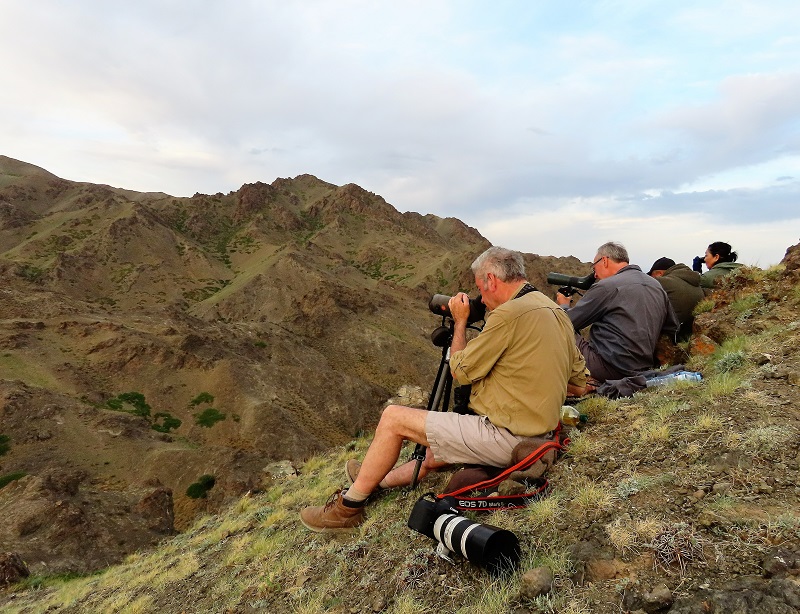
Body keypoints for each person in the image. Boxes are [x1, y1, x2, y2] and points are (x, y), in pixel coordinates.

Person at [300, 246, 587, 532]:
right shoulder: (557, 312)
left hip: (510, 437)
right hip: (543, 434)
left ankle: (346, 510)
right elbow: (579, 382)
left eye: (480, 289)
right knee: (435, 453)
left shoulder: (509, 315)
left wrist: (461, 322)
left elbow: (459, 371)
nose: (482, 300)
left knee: (393, 419)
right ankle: (373, 482)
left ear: (491, 280)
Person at [555, 242, 678, 382]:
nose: (595, 274)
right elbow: (671, 328)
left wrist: (564, 305)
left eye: (594, 267)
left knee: (558, 326)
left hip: (609, 368)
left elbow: (568, 321)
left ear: (605, 261)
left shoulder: (607, 286)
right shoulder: (656, 285)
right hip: (644, 367)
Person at [647, 257, 704, 341]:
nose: (652, 279)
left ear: (659, 274)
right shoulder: (693, 282)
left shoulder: (662, 282)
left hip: (672, 335)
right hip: (691, 331)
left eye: (652, 276)